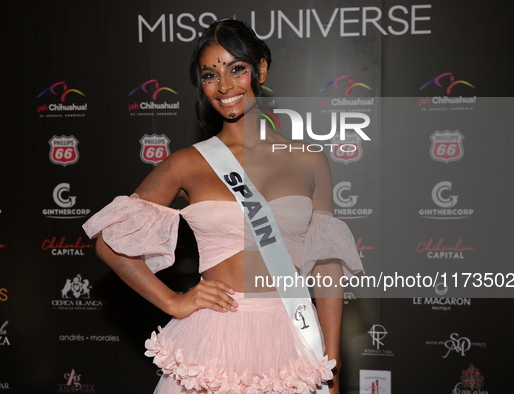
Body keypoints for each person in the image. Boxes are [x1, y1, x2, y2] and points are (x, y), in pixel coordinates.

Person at [83, 18, 363, 394]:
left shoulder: (309, 158)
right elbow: (107, 240)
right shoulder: (187, 163)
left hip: (292, 336)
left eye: (237, 69)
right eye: (211, 74)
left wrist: (332, 355)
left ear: (260, 69)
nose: (225, 85)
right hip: (214, 338)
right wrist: (173, 301)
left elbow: (327, 263)